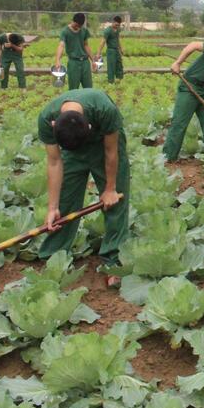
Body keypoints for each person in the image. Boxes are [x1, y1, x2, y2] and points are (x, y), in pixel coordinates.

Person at [37, 88, 129, 286]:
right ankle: (55, 257)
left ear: (89, 125)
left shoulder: (105, 110)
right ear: (54, 125)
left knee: (115, 201)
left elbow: (111, 151)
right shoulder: (46, 118)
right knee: (65, 199)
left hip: (103, 143)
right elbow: (54, 162)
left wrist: (110, 189)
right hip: (72, 148)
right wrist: (52, 208)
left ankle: (114, 260)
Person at [53, 13, 96, 90]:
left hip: (85, 62)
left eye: (80, 26)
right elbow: (61, 46)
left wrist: (93, 60)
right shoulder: (65, 32)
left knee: (88, 88)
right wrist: (57, 60)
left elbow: (86, 45)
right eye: (76, 25)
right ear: (72, 21)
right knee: (73, 88)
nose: (78, 27)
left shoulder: (84, 31)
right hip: (73, 63)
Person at [96, 16, 125, 84]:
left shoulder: (118, 29)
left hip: (117, 50)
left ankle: (119, 79)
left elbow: (118, 39)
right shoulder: (108, 31)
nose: (117, 26)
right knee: (111, 66)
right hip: (110, 51)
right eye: (116, 25)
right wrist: (98, 53)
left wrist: (121, 49)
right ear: (113, 22)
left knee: (119, 64)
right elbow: (102, 42)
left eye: (118, 25)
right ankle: (111, 81)